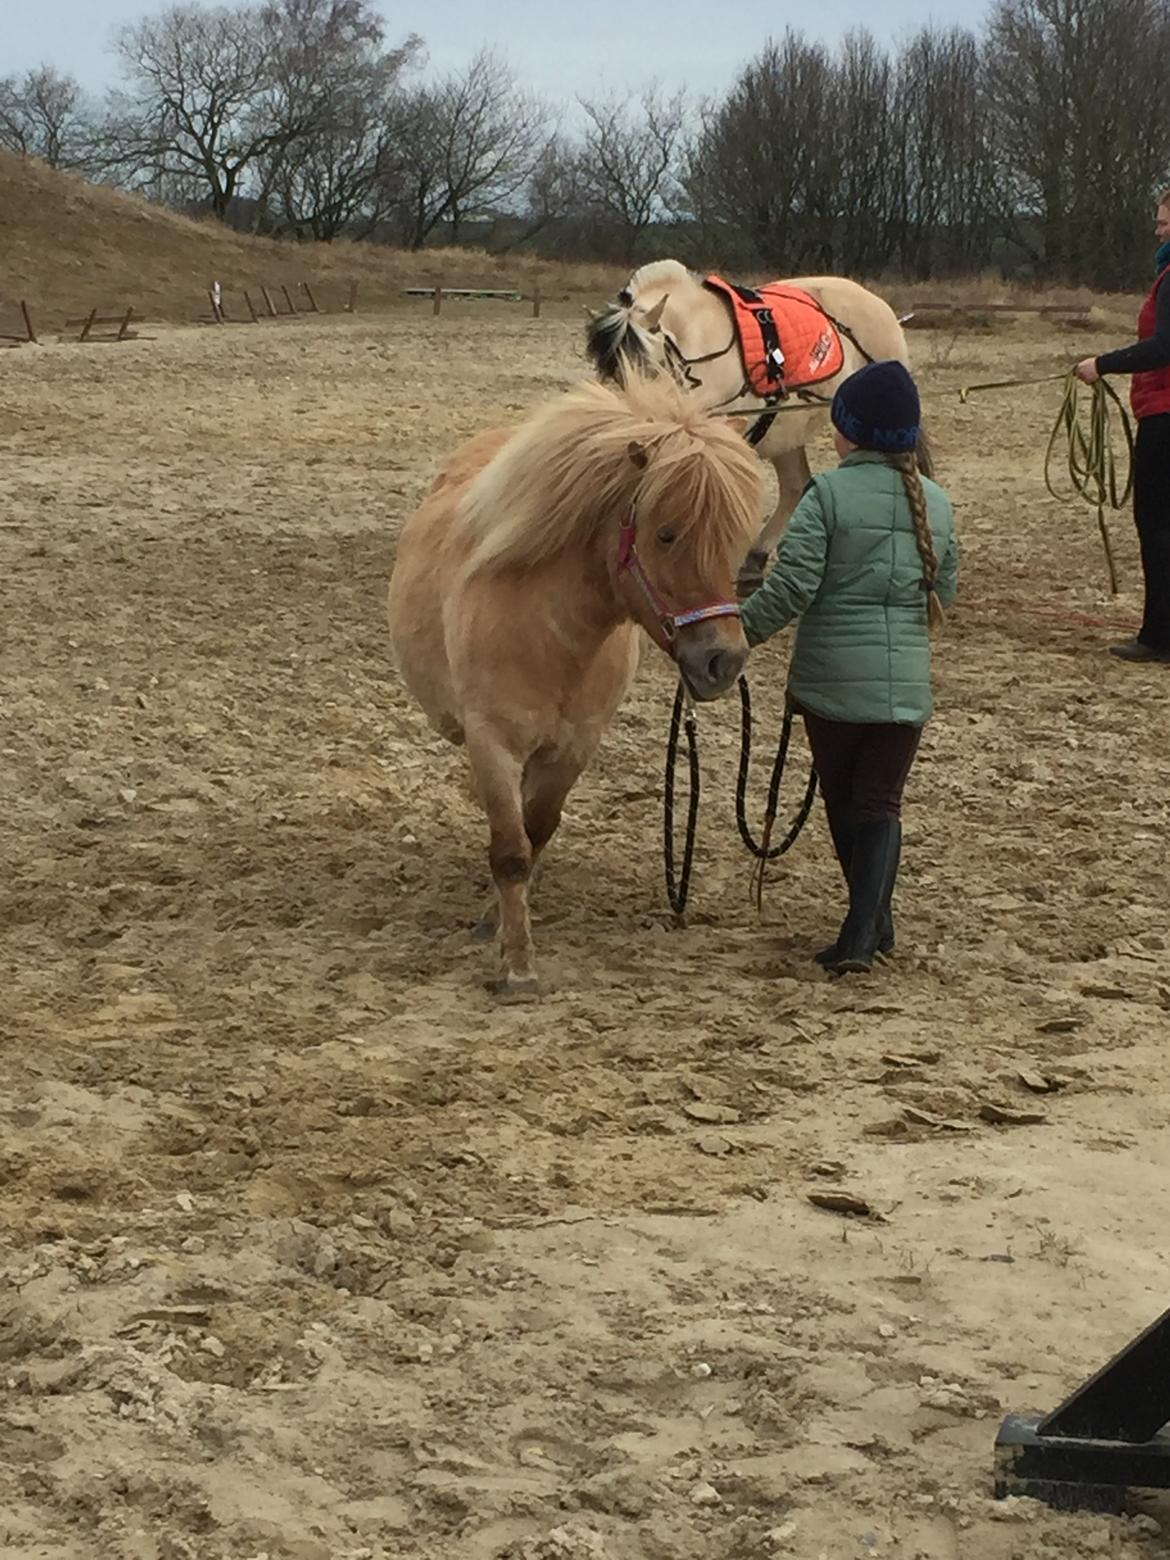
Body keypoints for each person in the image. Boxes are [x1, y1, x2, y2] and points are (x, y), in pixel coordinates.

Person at [739, 360, 959, 975]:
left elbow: (791, 588)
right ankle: (874, 924)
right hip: (908, 690)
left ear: (848, 432)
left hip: (833, 686)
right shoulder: (937, 503)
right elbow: (948, 587)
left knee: (846, 803)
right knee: (881, 803)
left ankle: (862, 934)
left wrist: (741, 635)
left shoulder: (827, 496)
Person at [1074, 190, 1170, 663]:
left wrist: (1104, 364)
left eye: (1164, 223)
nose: (1158, 231)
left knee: (1155, 523)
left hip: (1165, 415)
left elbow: (1164, 347)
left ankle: (1158, 636)